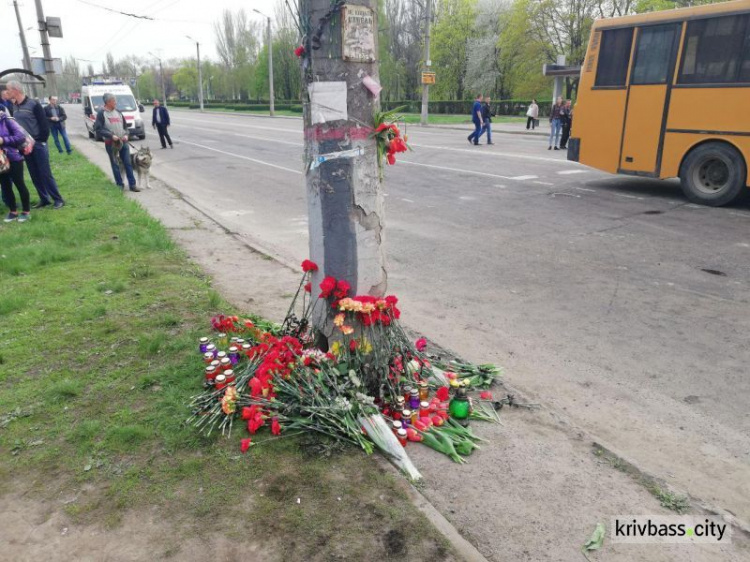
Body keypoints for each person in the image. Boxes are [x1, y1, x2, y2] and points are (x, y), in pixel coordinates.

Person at [5, 81, 65, 209]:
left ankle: (58, 199)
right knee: (34, 173)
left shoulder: (34, 104)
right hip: (24, 146)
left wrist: (40, 141)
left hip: (38, 144)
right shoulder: (13, 106)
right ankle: (44, 199)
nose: (7, 92)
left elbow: (44, 125)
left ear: (16, 90)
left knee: (45, 172)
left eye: (9, 89)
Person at [94, 92, 140, 192]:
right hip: (111, 144)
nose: (116, 102)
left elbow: (125, 128)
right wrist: (111, 135)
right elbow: (98, 129)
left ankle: (133, 185)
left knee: (128, 163)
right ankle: (120, 185)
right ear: (108, 102)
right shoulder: (102, 114)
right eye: (114, 101)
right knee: (115, 164)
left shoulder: (118, 112)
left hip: (123, 142)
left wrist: (126, 135)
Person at [0, 109, 32, 222]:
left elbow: (20, 137)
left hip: (13, 157)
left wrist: (3, 140)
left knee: (19, 184)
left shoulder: (7, 120)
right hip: (1, 161)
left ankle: (26, 211)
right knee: (5, 186)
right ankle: (13, 211)